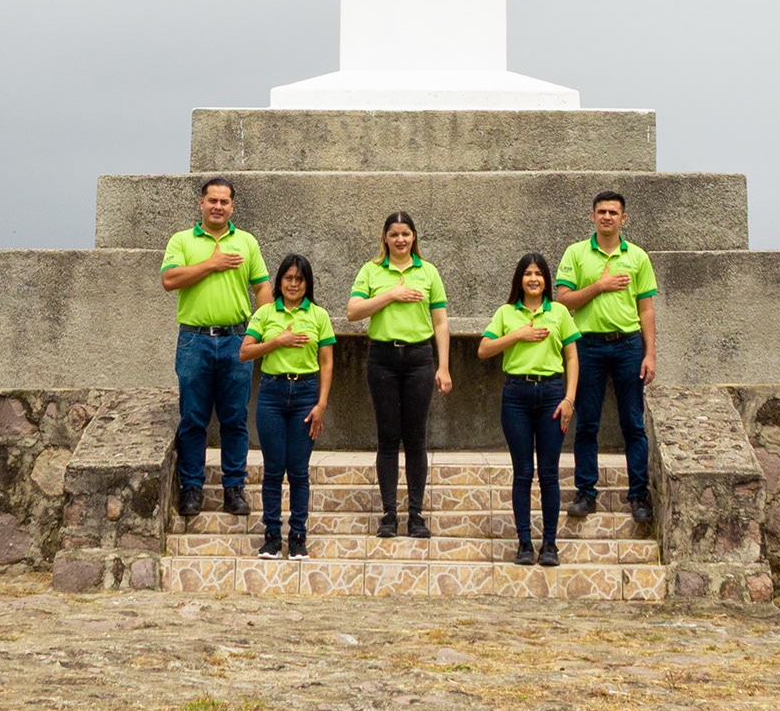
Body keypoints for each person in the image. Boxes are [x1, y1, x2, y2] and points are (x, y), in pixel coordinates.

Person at [160, 175, 271, 519]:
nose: (218, 206)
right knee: (193, 417)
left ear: (232, 206)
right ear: (201, 203)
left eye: (224, 201)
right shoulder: (181, 241)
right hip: (195, 339)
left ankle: (234, 488)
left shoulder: (247, 242)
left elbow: (263, 290)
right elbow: (169, 280)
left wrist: (265, 331)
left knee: (235, 418)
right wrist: (212, 263)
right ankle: (191, 488)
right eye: (212, 200)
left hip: (237, 339)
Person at [554, 190, 657, 528]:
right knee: (587, 424)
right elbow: (564, 300)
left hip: (628, 345)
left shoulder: (638, 257)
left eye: (614, 212)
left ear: (624, 218)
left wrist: (650, 354)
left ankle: (639, 495)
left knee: (633, 423)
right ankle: (586, 493)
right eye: (602, 211)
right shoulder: (576, 253)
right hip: (588, 346)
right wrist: (599, 286)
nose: (607, 217)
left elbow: (646, 309)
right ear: (592, 216)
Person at [345, 210, 451, 538]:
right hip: (383, 359)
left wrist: (443, 366)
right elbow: (352, 312)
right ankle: (389, 514)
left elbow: (440, 322)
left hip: (419, 358)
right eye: (394, 234)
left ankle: (416, 515)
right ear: (385, 238)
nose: (400, 239)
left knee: (416, 439)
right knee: (388, 438)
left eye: (406, 234)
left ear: (414, 237)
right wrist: (391, 294)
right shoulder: (371, 270)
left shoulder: (428, 272)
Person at [477, 252, 578, 565]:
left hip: (551, 394)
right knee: (522, 472)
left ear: (546, 279)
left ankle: (549, 544)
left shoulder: (559, 312)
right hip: (516, 395)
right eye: (527, 274)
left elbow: (572, 358)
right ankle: (524, 542)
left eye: (539, 273)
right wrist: (518, 334)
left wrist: (569, 400)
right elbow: (483, 349)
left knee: (549, 473)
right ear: (519, 280)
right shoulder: (507, 313)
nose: (533, 279)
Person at [238, 254, 335, 558]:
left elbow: (327, 361)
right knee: (273, 469)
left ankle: (297, 536)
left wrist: (321, 404)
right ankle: (270, 535)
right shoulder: (266, 313)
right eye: (288, 278)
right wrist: (277, 341)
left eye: (300, 279)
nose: (293, 284)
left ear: (308, 284)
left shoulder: (319, 315)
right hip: (272, 394)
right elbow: (245, 353)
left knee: (298, 471)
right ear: (279, 281)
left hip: (306, 393)